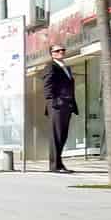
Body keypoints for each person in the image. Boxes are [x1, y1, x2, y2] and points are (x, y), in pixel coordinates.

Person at [43, 45, 78, 173]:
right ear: (52, 54)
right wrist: (54, 101)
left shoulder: (66, 67)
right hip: (57, 106)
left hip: (66, 106)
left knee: (62, 135)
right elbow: (47, 86)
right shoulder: (51, 66)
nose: (61, 52)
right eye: (57, 51)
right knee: (56, 136)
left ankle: (59, 163)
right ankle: (54, 166)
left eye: (63, 50)